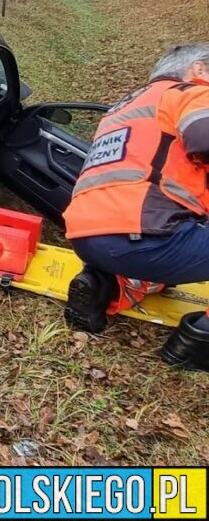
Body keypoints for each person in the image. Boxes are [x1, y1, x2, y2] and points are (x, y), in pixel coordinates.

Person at [63, 44, 209, 371]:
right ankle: (198, 343)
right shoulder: (191, 94)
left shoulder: (122, 110)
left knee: (161, 268)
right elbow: (204, 139)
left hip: (87, 238)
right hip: (148, 234)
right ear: (199, 70)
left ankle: (107, 286)